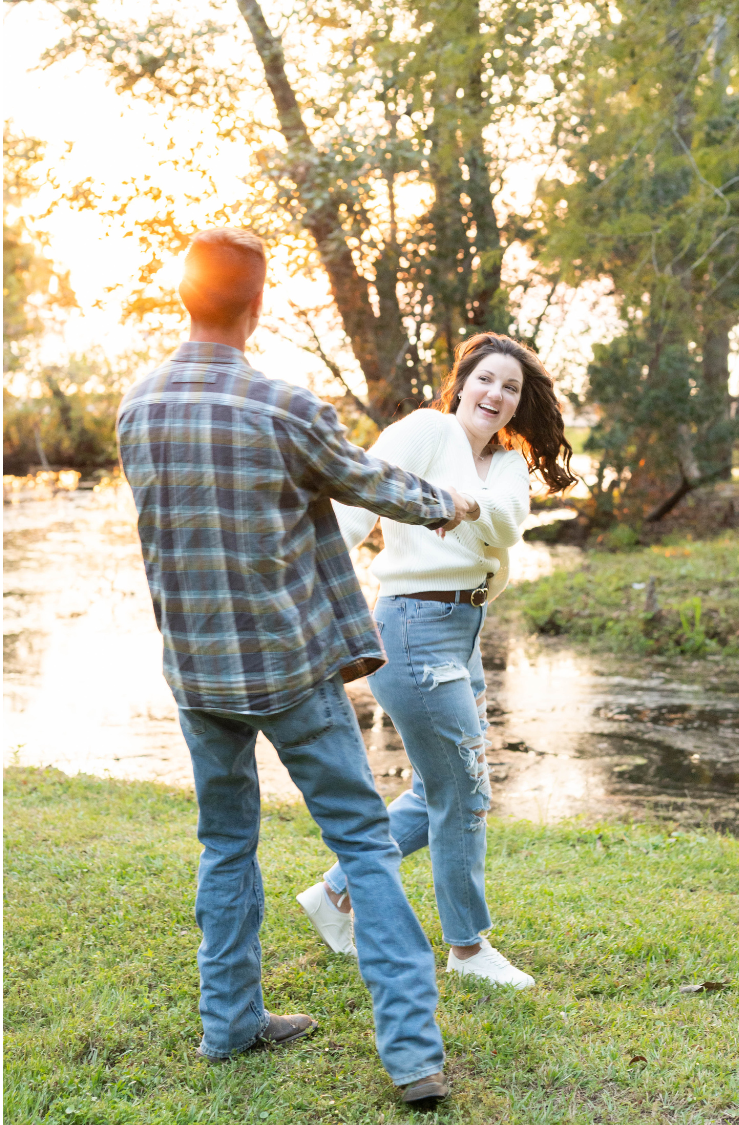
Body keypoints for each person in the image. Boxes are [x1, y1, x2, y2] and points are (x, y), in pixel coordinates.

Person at [116, 227, 480, 1109]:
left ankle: (229, 1024)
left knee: (225, 843)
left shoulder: (138, 405)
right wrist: (449, 504)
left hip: (196, 669)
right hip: (288, 666)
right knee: (361, 841)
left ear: (184, 299)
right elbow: (368, 480)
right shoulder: (279, 404)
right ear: (257, 304)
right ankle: (411, 1059)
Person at [296, 333, 575, 990]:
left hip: (465, 630)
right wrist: (313, 594)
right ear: (462, 384)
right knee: (466, 791)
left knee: (440, 787)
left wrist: (467, 503)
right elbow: (353, 506)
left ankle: (338, 893)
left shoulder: (507, 462)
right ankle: (468, 948)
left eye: (509, 388)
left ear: (517, 402)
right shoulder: (424, 430)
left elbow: (506, 521)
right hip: (413, 625)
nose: (496, 395)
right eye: (485, 380)